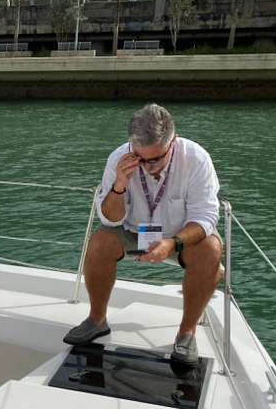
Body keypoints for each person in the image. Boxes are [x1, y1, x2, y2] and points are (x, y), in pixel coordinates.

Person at [63, 103, 222, 364]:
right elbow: (108, 219)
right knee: (99, 242)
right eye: (139, 157)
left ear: (174, 141)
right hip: (132, 231)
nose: (147, 166)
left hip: (180, 237)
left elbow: (205, 218)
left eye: (156, 159)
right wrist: (119, 186)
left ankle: (186, 333)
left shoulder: (196, 159)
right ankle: (97, 320)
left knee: (211, 250)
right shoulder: (118, 158)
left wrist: (172, 243)